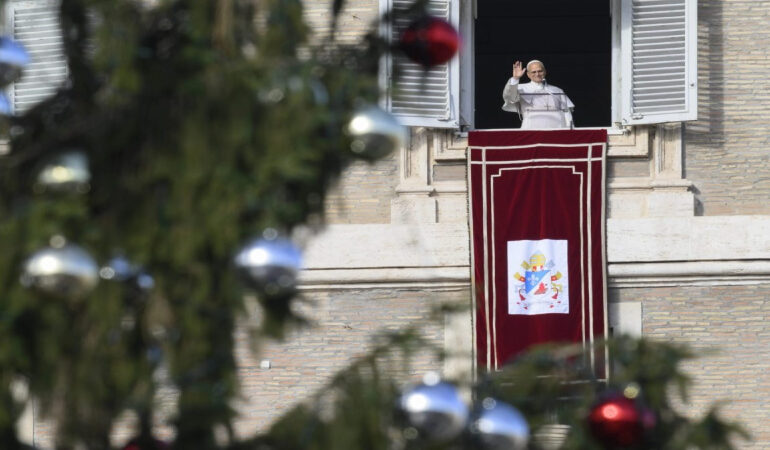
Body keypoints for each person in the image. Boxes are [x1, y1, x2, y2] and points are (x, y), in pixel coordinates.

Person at [502, 60, 575, 129]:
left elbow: (566, 113)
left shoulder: (557, 90)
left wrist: (570, 129)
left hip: (557, 129)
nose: (537, 74)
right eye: (533, 72)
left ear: (545, 72)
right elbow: (510, 97)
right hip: (531, 129)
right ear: (528, 74)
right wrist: (515, 79)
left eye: (540, 71)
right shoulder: (520, 88)